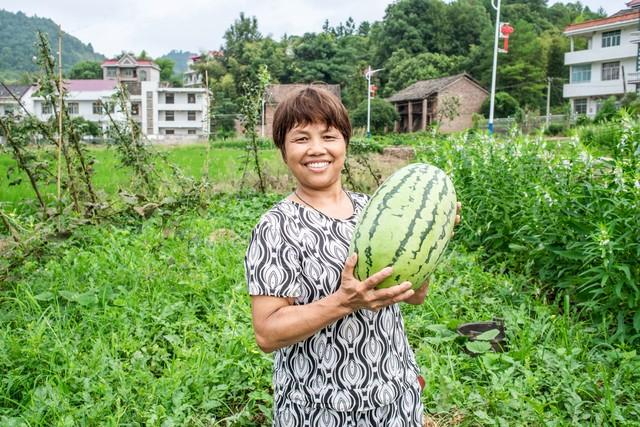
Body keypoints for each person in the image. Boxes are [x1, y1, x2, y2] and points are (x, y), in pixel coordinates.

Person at [245, 86, 459, 426]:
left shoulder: (373, 208)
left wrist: (433, 236)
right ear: (283, 151)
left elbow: (415, 295)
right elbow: (267, 333)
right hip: (320, 409)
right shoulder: (276, 226)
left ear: (344, 143)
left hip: (394, 398)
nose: (317, 149)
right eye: (301, 139)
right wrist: (344, 302)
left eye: (328, 136)